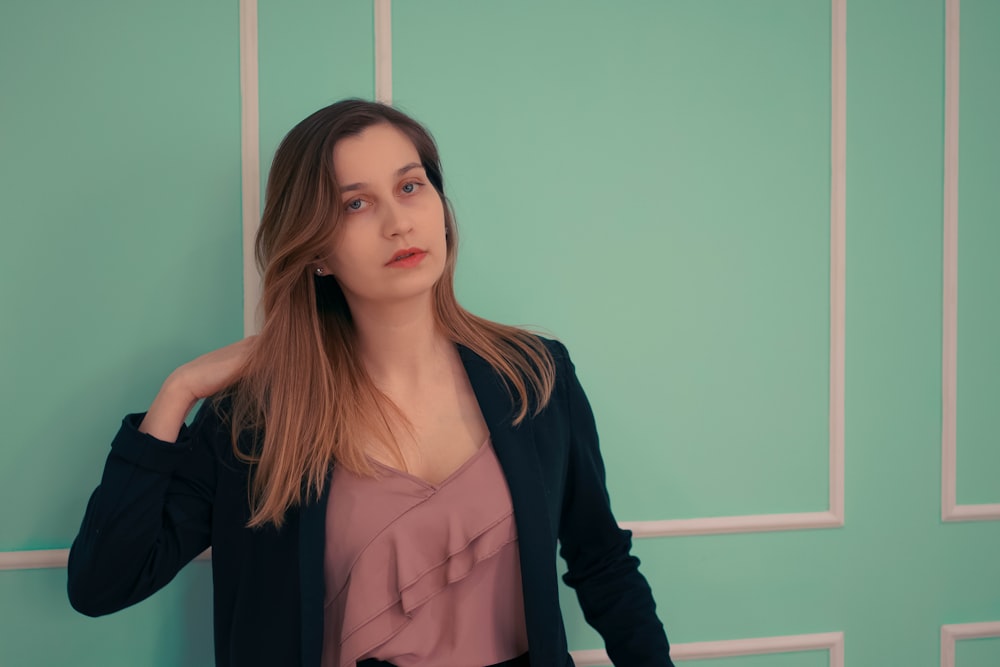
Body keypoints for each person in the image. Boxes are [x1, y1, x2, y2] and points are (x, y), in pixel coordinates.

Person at [67, 99, 673, 667]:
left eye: (411, 187)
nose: (398, 223)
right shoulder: (256, 418)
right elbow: (103, 585)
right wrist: (179, 390)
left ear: (440, 207)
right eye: (355, 204)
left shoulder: (535, 376)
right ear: (316, 252)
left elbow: (602, 562)